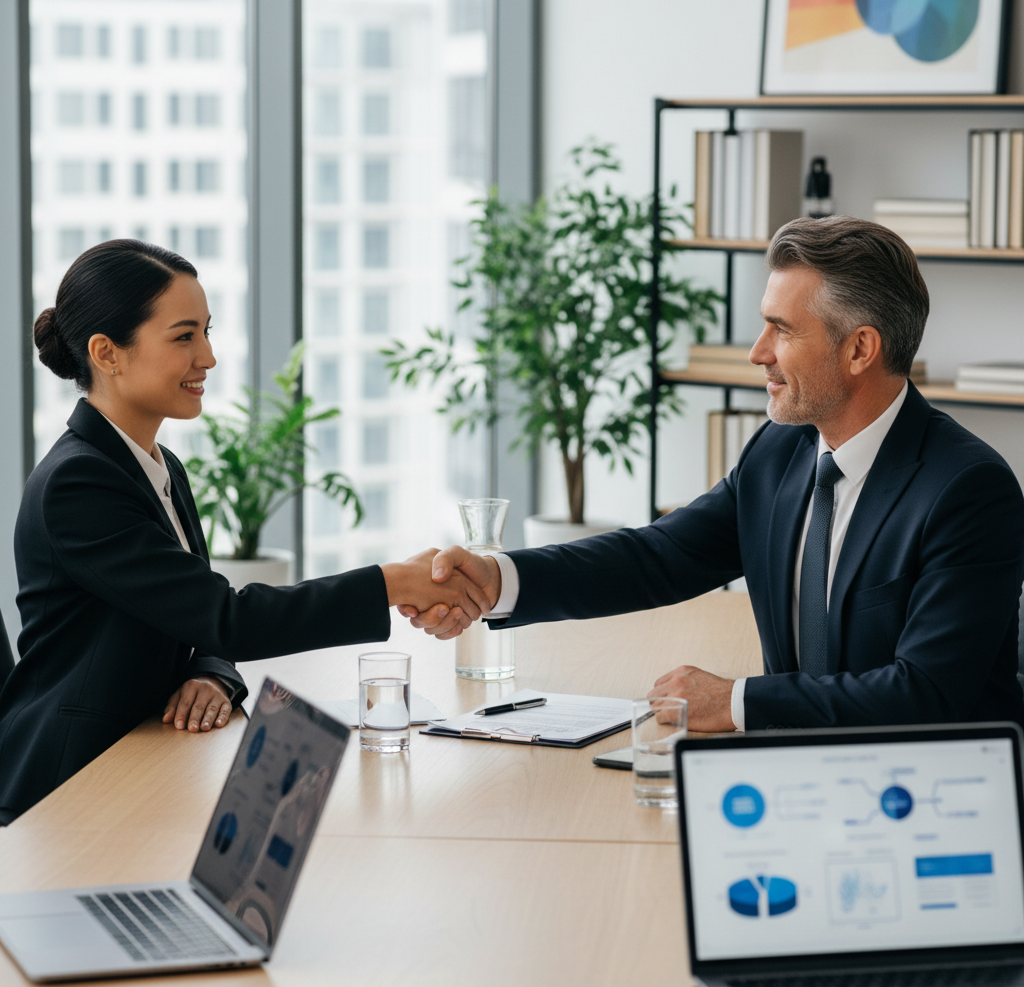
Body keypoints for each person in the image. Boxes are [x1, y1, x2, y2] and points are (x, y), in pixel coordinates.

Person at [405, 216, 1024, 733]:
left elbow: (926, 695)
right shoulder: (780, 453)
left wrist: (735, 703)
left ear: (860, 349)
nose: (757, 352)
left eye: (781, 330)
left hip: (927, 804)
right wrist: (496, 578)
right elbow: (658, 556)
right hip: (799, 780)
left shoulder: (968, 491)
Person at [0, 240, 487, 825]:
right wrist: (389, 582)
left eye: (207, 331)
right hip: (68, 787)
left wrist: (212, 672)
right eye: (184, 337)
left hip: (147, 761)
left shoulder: (155, 465)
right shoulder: (78, 484)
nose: (207, 356)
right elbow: (227, 618)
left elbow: (193, 611)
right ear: (108, 353)